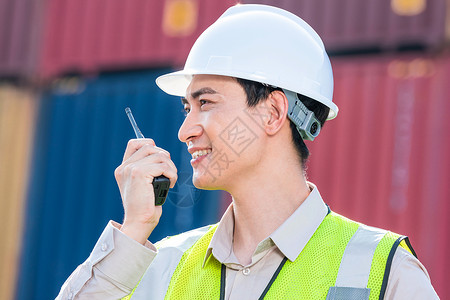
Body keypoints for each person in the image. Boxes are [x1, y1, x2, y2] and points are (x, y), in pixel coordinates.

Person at [57, 4, 438, 300]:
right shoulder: (162, 266)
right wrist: (134, 230)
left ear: (272, 113)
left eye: (205, 103)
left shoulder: (382, 270)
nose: (184, 130)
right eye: (186, 108)